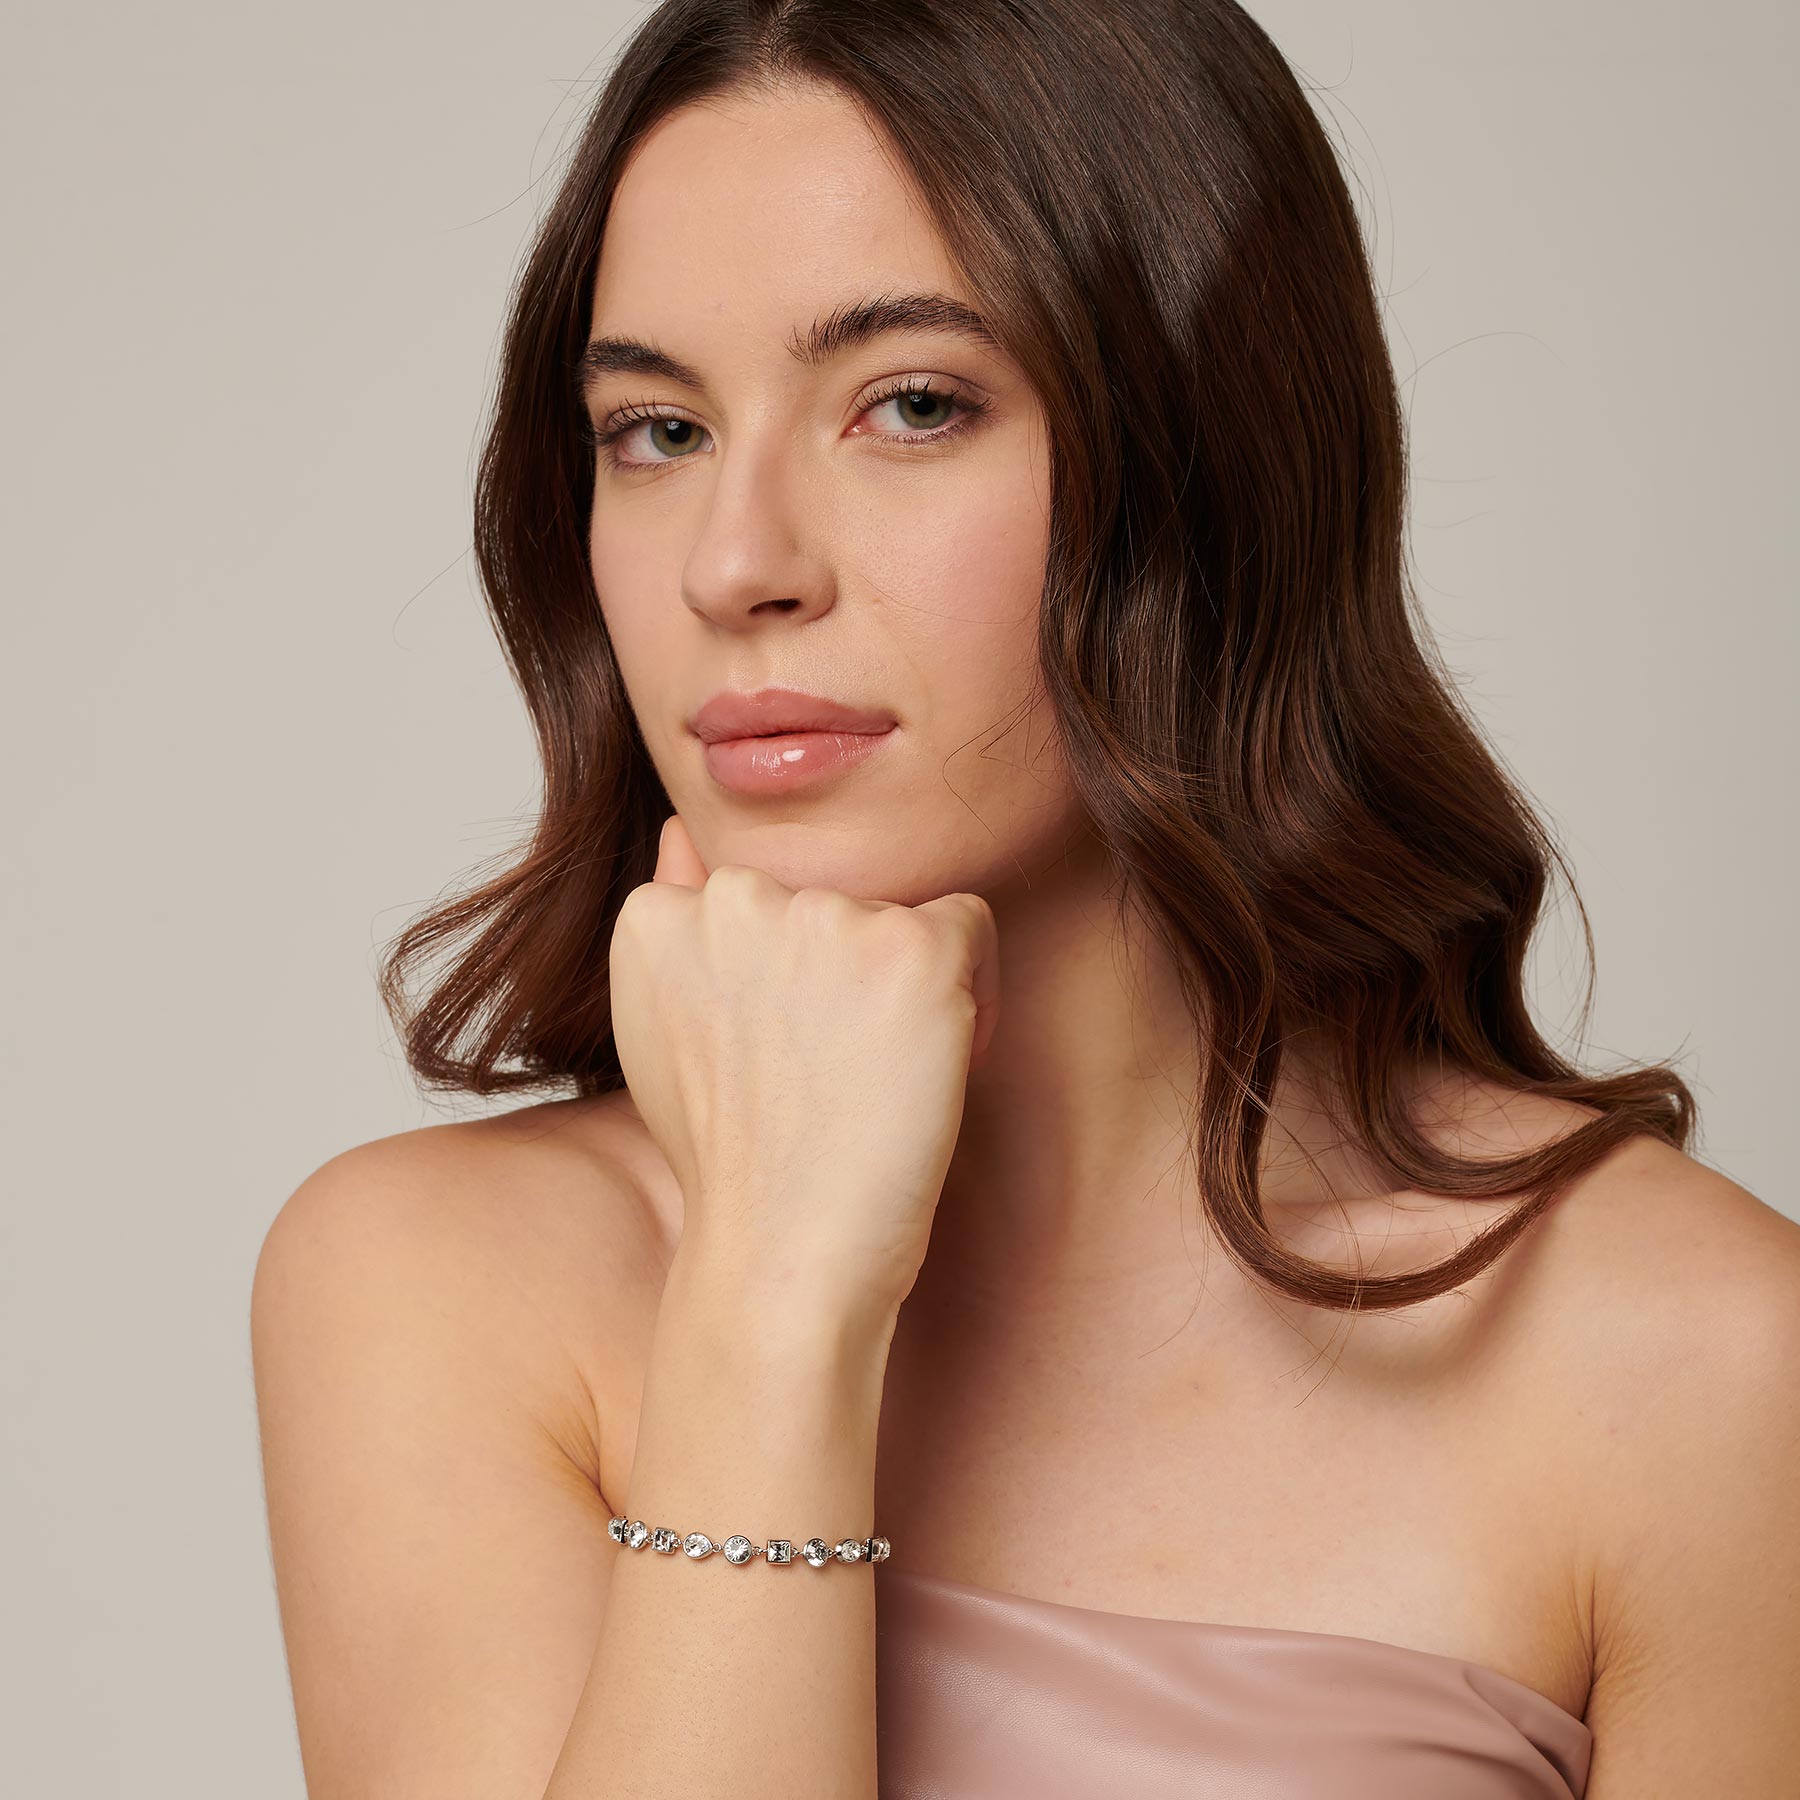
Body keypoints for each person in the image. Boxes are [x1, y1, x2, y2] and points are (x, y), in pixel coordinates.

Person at [249, 2, 1800, 1795]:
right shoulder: (433, 1290)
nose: (737, 563)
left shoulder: (1695, 1367)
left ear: (1217, 463)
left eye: (913, 405)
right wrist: (775, 1297)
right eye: (657, 429)